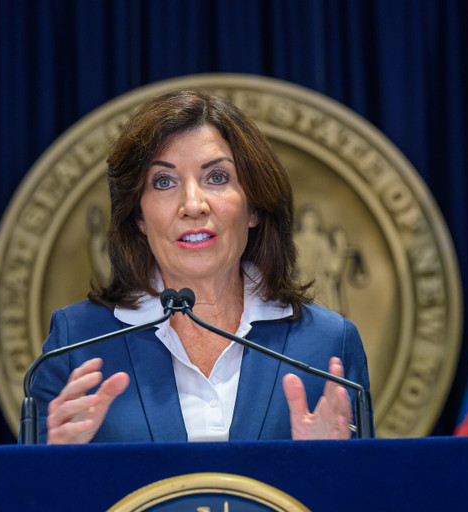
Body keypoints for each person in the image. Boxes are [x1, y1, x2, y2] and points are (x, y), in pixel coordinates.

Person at [32, 90, 370, 444]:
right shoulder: (76, 343)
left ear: (254, 207)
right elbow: (30, 498)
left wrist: (329, 470)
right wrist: (57, 464)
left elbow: (371, 496)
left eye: (217, 178)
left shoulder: (329, 343)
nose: (193, 205)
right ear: (139, 217)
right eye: (164, 182)